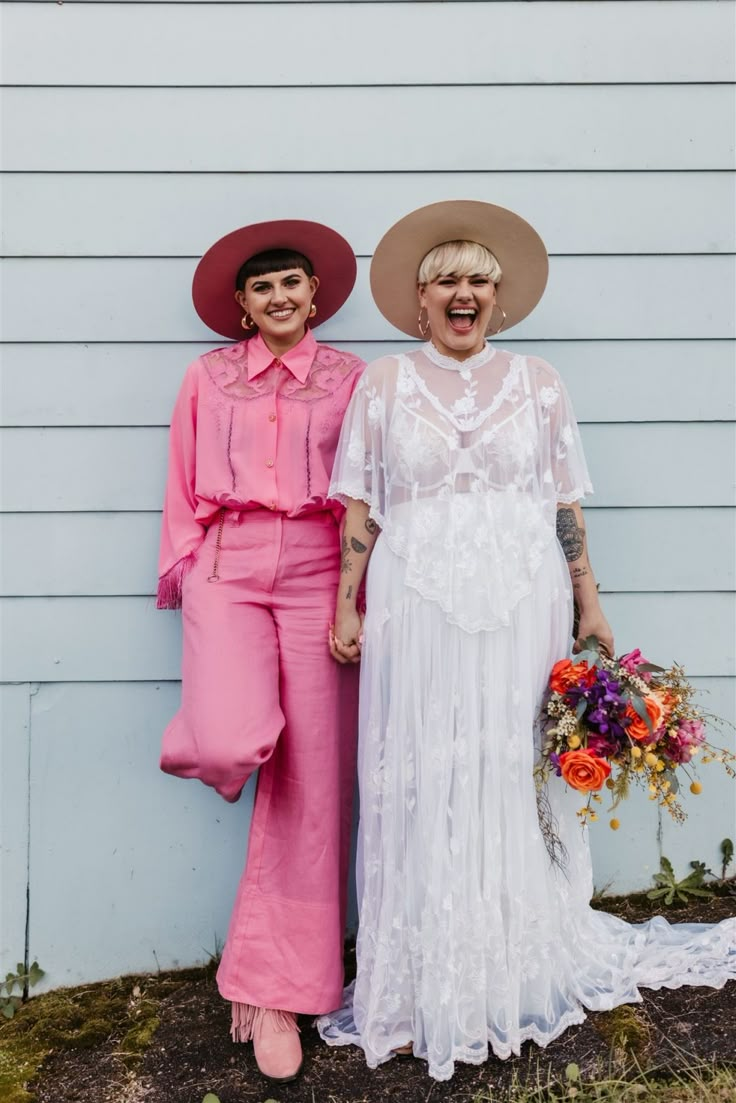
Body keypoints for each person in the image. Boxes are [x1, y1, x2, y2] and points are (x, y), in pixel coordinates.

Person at [319, 201, 736, 1081]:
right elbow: (361, 506)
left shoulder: (540, 380)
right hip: (418, 607)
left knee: (514, 766)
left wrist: (590, 600)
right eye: (446, 280)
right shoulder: (384, 384)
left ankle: (519, 962)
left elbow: (563, 503)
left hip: (521, 601)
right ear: (421, 299)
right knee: (426, 765)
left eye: (478, 279)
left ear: (497, 298)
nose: (462, 292)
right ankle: (428, 976)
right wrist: (348, 604)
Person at [156, 220, 364, 1083]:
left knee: (313, 784)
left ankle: (275, 990)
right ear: (241, 307)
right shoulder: (206, 379)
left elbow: (367, 492)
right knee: (228, 735)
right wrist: (189, 566)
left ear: (314, 296)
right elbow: (177, 482)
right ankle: (230, 739)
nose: (280, 297)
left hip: (321, 570)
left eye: (293, 284)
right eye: (263, 287)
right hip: (230, 565)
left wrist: (359, 594)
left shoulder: (353, 380)